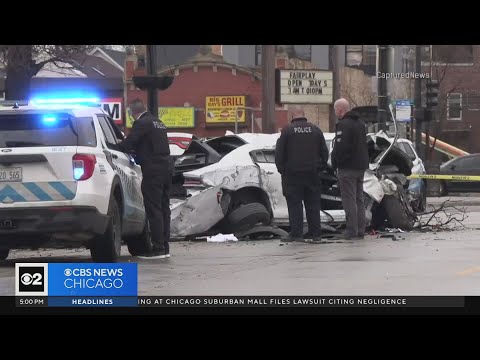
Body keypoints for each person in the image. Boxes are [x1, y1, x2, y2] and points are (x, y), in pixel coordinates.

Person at [118, 99, 173, 259]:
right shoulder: (158, 122)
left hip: (153, 170)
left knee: (153, 209)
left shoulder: (141, 123)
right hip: (166, 169)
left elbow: (129, 144)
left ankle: (158, 248)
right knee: (164, 209)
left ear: (132, 113)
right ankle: (165, 247)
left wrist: (116, 146)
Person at [275, 107, 329, 243]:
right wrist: (320, 168)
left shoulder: (287, 131)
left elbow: (279, 154)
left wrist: (283, 170)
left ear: (292, 116)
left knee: (295, 205)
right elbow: (324, 152)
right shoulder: (316, 130)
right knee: (313, 205)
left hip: (292, 175)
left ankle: (296, 234)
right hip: (312, 174)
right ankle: (315, 234)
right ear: (303, 115)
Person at [331, 98, 369, 240]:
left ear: (340, 109)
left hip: (347, 167)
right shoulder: (360, 123)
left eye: (336, 110)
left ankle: (351, 230)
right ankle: (360, 229)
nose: (336, 113)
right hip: (361, 166)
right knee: (359, 199)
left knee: (349, 199)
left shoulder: (343, 125)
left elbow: (341, 148)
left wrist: (335, 163)